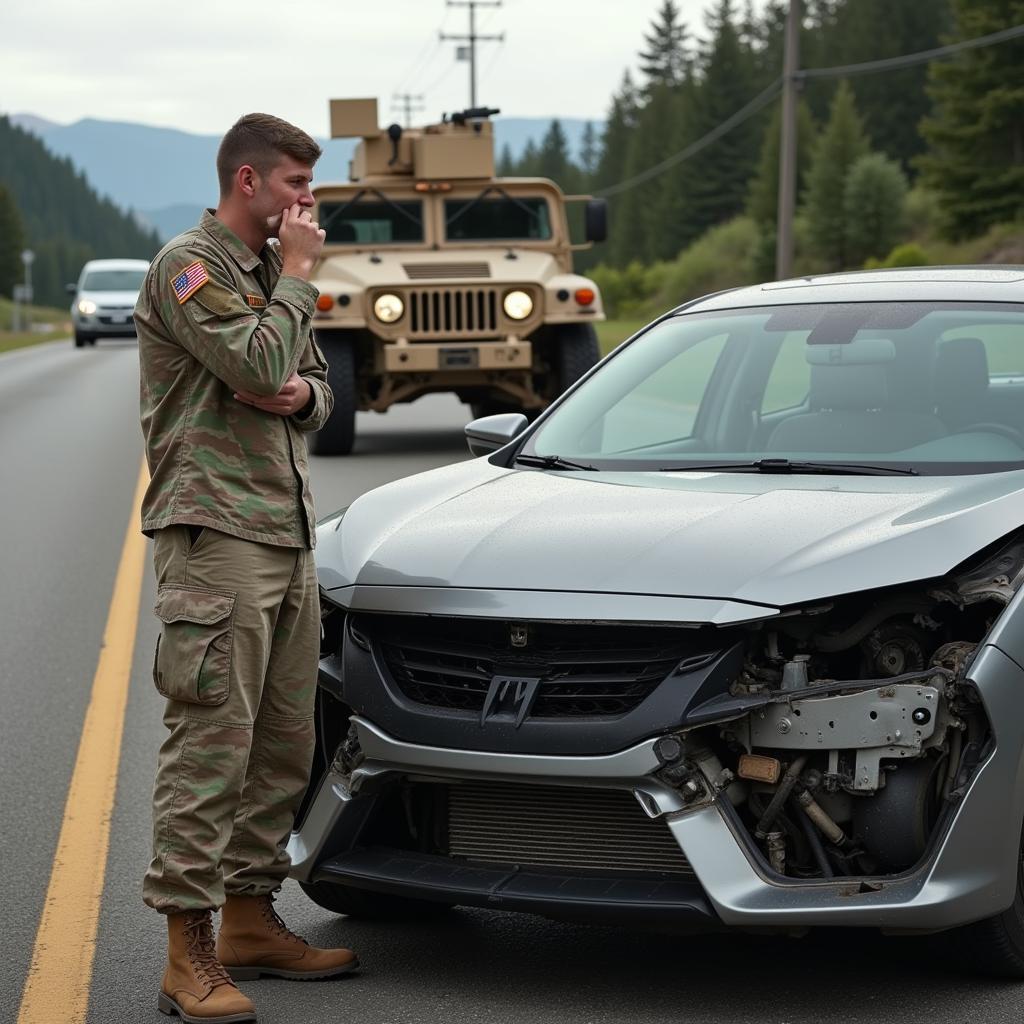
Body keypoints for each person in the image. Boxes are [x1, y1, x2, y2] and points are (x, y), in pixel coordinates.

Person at [135, 113, 357, 1024]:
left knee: (282, 746)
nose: (308, 203)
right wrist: (297, 289)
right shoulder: (190, 269)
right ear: (248, 181)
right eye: (296, 186)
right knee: (211, 749)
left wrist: (298, 387)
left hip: (286, 530)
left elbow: (313, 391)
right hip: (215, 532)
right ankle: (185, 955)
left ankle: (249, 921)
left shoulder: (267, 278)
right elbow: (259, 356)